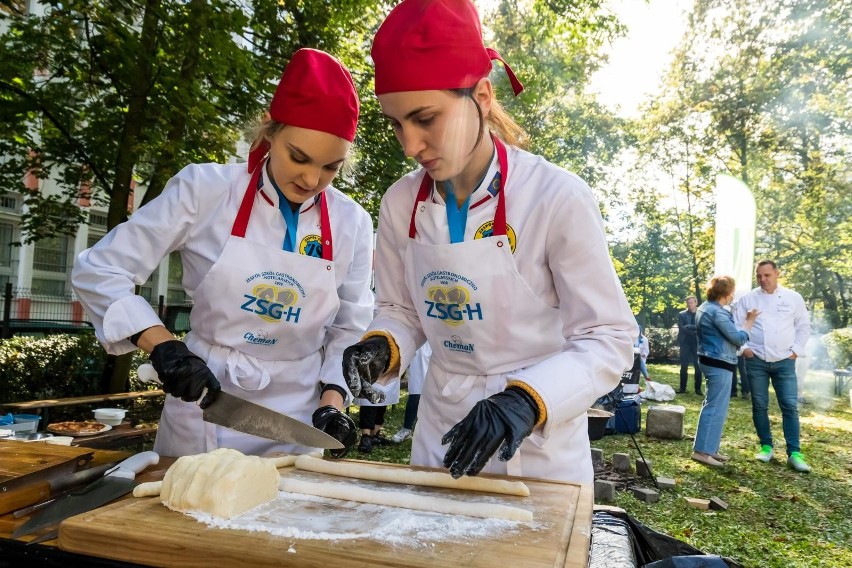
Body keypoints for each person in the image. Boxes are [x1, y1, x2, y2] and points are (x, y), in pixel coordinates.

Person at [340, 0, 635, 485]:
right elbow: (404, 310)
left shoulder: (555, 197)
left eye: (425, 118)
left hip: (538, 447)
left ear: (480, 95)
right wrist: (382, 344)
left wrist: (527, 399)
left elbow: (609, 337)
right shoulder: (399, 203)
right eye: (396, 123)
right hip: (441, 429)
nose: (410, 146)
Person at [72, 49, 374, 458]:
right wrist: (164, 346)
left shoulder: (352, 221)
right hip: (204, 399)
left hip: (298, 419)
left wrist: (333, 402)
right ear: (270, 131)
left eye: (330, 168)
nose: (310, 178)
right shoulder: (204, 189)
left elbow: (350, 327)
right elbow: (100, 270)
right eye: (298, 157)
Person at [734, 260, 812, 472]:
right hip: (756, 359)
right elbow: (737, 325)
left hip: (785, 360)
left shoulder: (793, 297)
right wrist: (745, 349)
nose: (763, 279)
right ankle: (766, 446)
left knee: (789, 405)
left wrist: (796, 351)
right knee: (759, 404)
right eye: (759, 276)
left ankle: (794, 453)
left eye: (767, 275)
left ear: (777, 274)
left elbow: (804, 326)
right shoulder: (748, 298)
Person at [691, 276, 759, 467]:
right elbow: (738, 338)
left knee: (715, 407)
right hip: (718, 363)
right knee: (714, 408)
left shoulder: (707, 307)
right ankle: (703, 452)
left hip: (712, 361)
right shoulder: (716, 313)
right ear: (727, 293)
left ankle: (709, 449)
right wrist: (749, 322)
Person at [391, 342, 432, 443]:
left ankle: (429, 432)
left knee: (434, 399)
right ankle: (407, 429)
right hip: (420, 344)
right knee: (415, 395)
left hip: (438, 342)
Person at [677, 296, 703, 395]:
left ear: (696, 303)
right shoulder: (682, 314)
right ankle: (682, 388)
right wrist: (693, 330)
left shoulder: (700, 314)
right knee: (684, 365)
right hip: (685, 342)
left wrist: (690, 327)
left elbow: (701, 327)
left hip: (697, 342)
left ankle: (698, 389)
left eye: (691, 302)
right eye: (688, 303)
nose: (690, 304)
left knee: (698, 366)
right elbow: (682, 328)